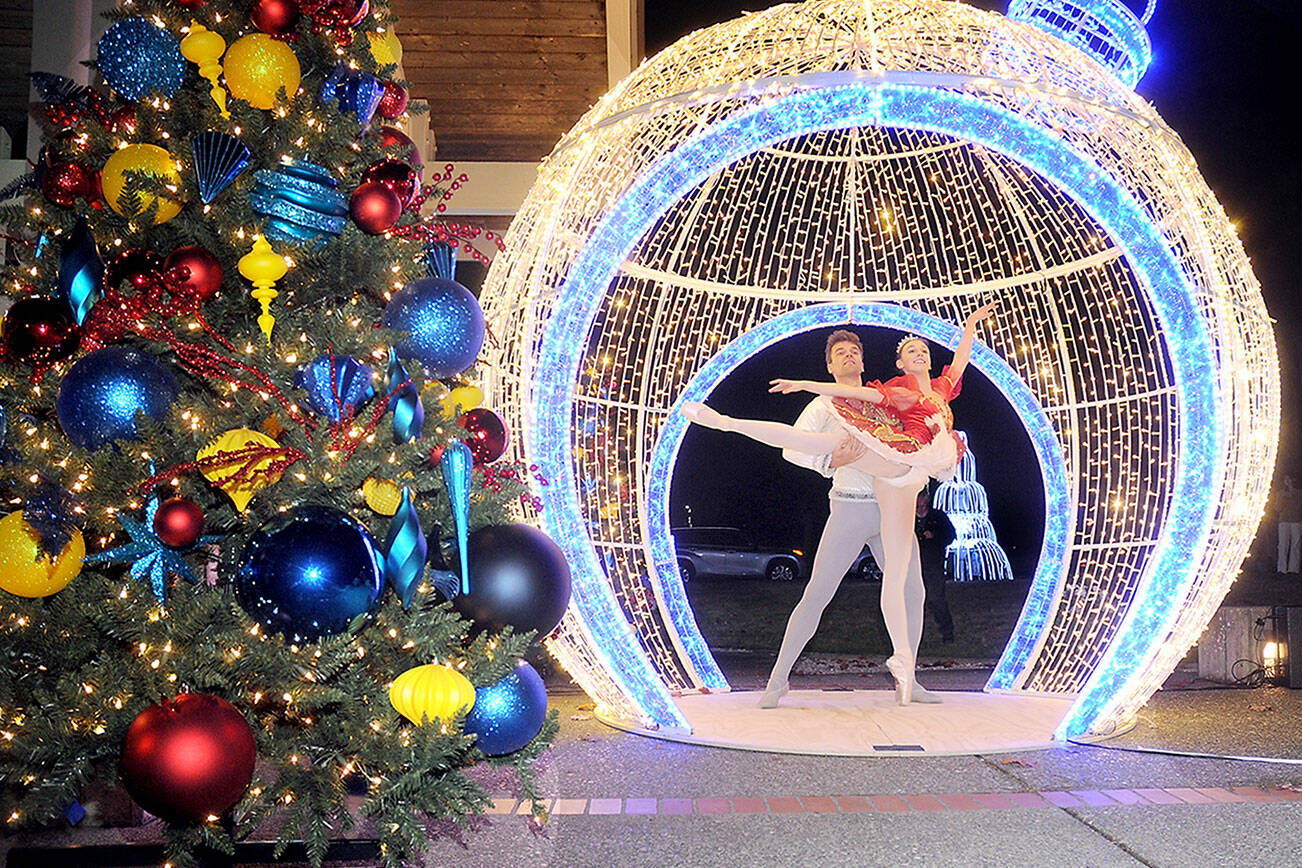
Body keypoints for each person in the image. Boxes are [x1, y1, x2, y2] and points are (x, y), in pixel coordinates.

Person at [683, 302, 994, 704]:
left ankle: (909, 678)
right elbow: (794, 451)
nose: (848, 356)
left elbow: (918, 432)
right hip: (850, 505)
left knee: (912, 589)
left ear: (864, 359)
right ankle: (778, 679)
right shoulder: (824, 404)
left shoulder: (885, 396)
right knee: (817, 594)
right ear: (829, 367)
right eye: (839, 354)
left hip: (889, 505)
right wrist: (830, 462)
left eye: (853, 351)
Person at [916, 487, 955, 643]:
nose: (920, 509)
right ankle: (914, 637)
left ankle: (947, 633)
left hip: (933, 565)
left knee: (936, 598)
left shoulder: (938, 517)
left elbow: (950, 536)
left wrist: (935, 536)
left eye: (923, 506)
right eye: (918, 506)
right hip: (913, 565)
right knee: (913, 601)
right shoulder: (907, 518)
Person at [1277, 474, 1302, 574]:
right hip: (1284, 521)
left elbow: (1299, 506)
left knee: (1295, 545)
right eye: (1286, 480)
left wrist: (1292, 493)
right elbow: (1278, 508)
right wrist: (1282, 497)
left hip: (1296, 521)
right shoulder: (1280, 493)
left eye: (1289, 479)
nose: (1288, 482)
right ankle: (1281, 568)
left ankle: (1293, 569)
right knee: (1282, 545)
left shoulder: (1299, 493)